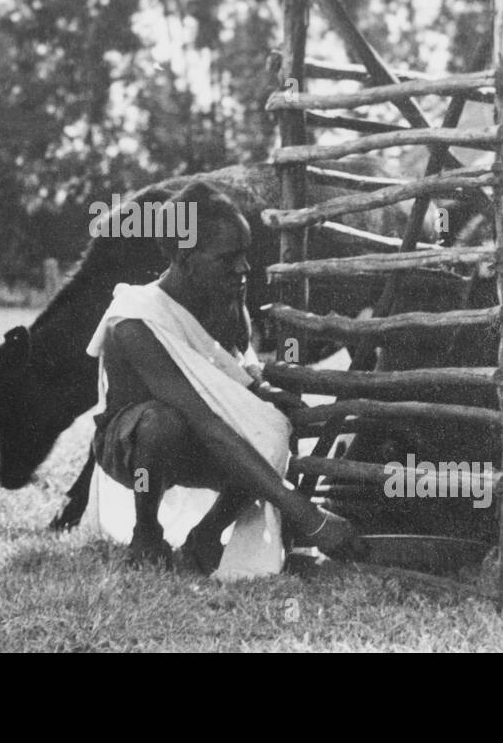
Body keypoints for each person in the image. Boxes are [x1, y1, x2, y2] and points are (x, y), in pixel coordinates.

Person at [88, 181, 367, 574]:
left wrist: (264, 393)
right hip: (137, 447)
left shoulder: (225, 294)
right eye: (228, 258)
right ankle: (147, 531)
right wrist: (310, 517)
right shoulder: (134, 320)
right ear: (184, 256)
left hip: (201, 436)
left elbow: (238, 363)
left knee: (270, 426)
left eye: (245, 254)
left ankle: (207, 533)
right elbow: (204, 420)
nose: (244, 268)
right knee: (161, 423)